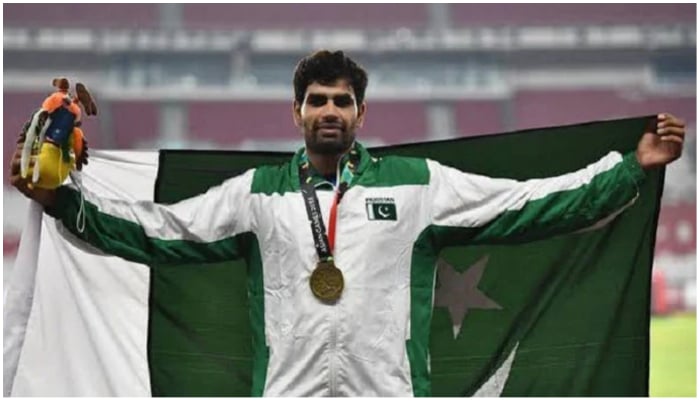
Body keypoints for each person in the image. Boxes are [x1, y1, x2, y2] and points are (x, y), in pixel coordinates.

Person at [9, 50, 686, 396]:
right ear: (296, 114)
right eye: (315, 100)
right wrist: (64, 201)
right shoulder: (256, 195)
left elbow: (529, 203)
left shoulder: (419, 184)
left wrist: (633, 166)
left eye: (341, 100)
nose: (328, 110)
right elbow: (162, 230)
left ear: (361, 114)